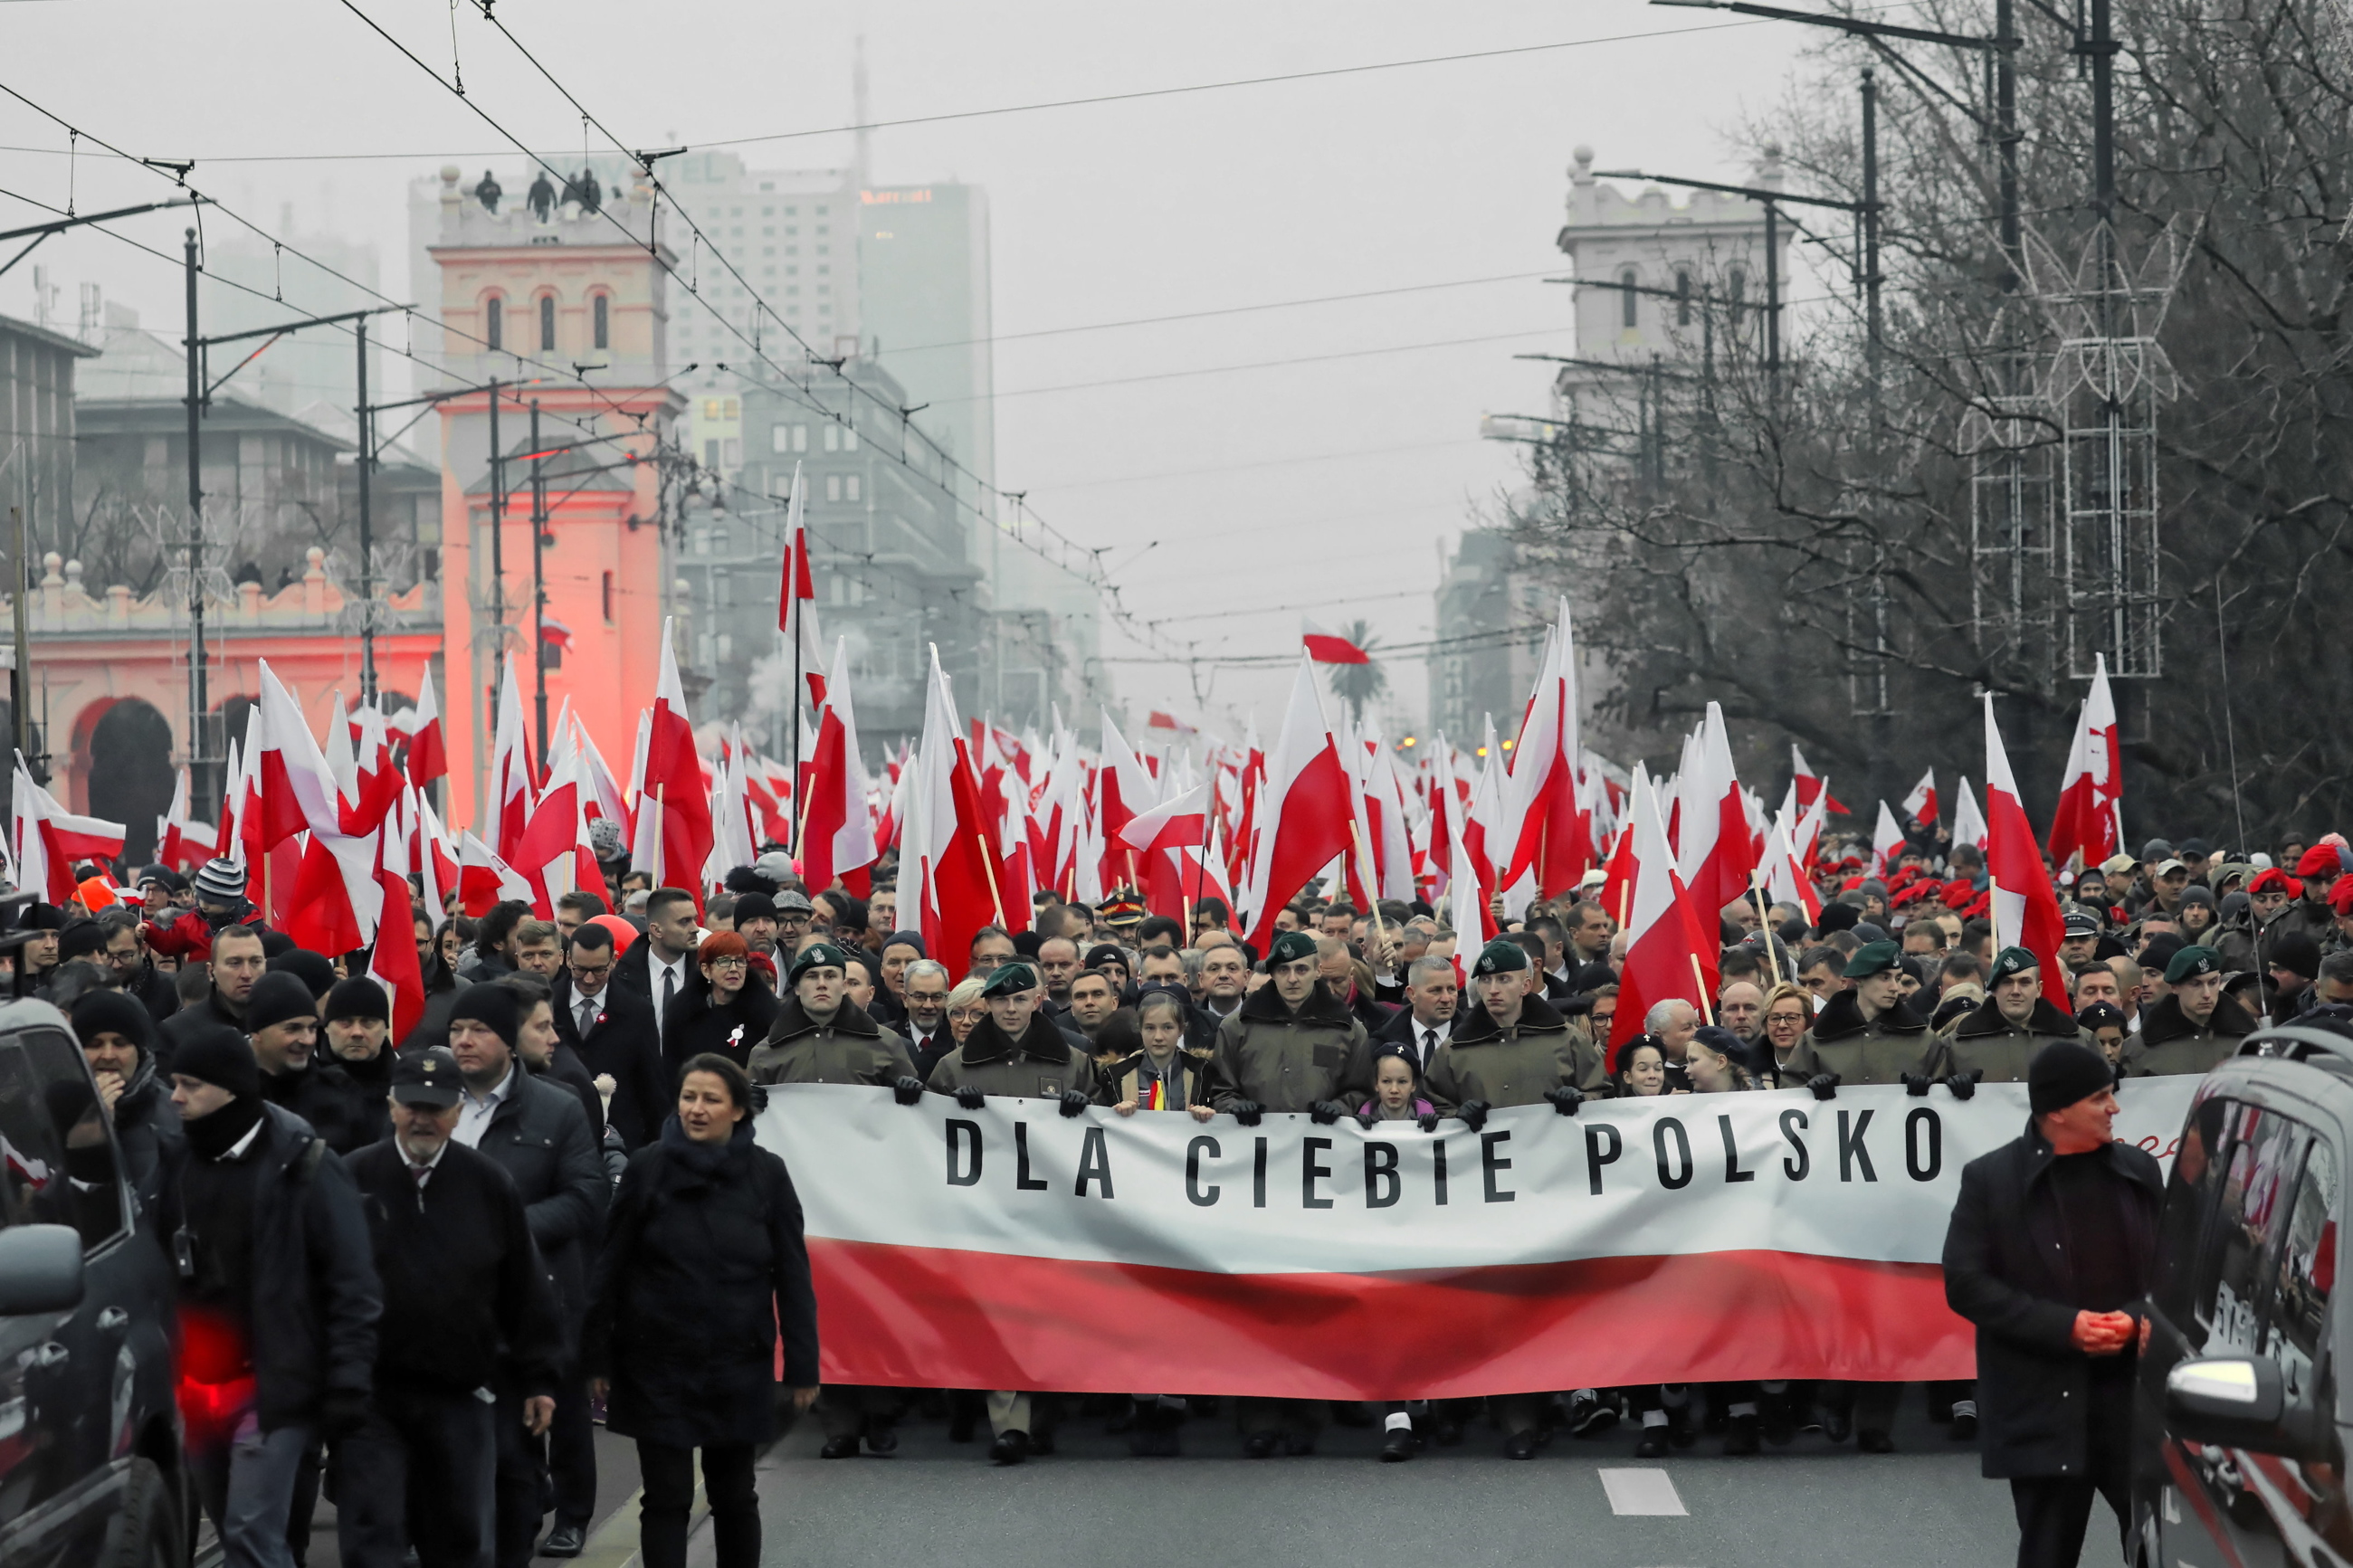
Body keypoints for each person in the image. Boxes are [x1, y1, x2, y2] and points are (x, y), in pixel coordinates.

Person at [161, 1019, 381, 1568]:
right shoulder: (178, 1165)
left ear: (229, 1089)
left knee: (252, 1533)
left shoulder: (302, 1164)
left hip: (272, 1385)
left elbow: (353, 1280)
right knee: (235, 1529)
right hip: (198, 1387)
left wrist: (348, 1379)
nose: (176, 1097)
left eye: (190, 1085)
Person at [586, 1055, 819, 1568]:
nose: (696, 1109)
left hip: (736, 1362)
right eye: (689, 1097)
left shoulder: (768, 1175)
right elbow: (611, 1266)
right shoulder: (647, 1167)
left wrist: (803, 1365)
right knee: (665, 1497)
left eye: (711, 1099)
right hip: (655, 1362)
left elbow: (793, 1275)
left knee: (734, 1495)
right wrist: (596, 1356)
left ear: (738, 1111)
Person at [340, 1048, 562, 1568]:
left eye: (436, 1107)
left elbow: (524, 1288)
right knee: (373, 1538)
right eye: (413, 1105)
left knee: (461, 1539)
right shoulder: (350, 1179)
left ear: (457, 1111)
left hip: (461, 1394)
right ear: (392, 1106)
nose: (423, 1118)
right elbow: (319, 1283)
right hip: (373, 1397)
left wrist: (539, 1377)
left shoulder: (488, 1184)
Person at [1943, 1041, 2159, 1568]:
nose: (2115, 1108)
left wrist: (2136, 1318)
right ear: (2058, 1109)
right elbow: (1966, 1282)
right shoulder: (1992, 1181)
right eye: (2100, 1098)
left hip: (2131, 1402)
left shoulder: (2139, 1171)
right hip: (2042, 1402)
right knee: (2047, 1552)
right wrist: (2068, 1328)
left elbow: (2171, 1268)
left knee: (2161, 1548)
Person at [443, 983, 607, 1566]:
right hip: (452, 1309)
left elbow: (588, 1197)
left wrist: (504, 1227)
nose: (463, 1041)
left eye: (478, 1030)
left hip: (540, 1299)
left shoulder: (557, 1106)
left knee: (550, 1418)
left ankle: (569, 1514)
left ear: (509, 1043)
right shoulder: (432, 1102)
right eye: (456, 1030)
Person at [923, 963, 1107, 1462]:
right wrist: (942, 1107)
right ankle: (1010, 1426)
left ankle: (1044, 1415)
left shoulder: (1074, 1060)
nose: (1009, 1009)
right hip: (987, 1216)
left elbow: (1110, 1125)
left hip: (1056, 1215)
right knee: (1000, 1316)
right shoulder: (955, 1067)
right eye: (1000, 1000)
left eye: (1019, 999)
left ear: (1039, 999)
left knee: (1051, 1318)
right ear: (986, 1003)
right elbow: (920, 1134)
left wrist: (1085, 1105)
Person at [1205, 929, 1373, 1459]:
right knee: (1256, 1301)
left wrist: (1342, 1107)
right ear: (1270, 975)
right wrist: (1234, 1106)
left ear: (1316, 969)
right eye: (1283, 971)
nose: (1293, 979)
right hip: (1253, 1184)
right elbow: (1217, 1086)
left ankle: (1307, 1414)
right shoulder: (1239, 1025)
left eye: (1301, 969)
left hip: (1321, 1184)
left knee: (1313, 1298)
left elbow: (1364, 1090)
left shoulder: (1348, 1026)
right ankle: (1257, 1412)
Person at [553, 920, 668, 1150]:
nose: (588, 979)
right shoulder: (547, 1005)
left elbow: (653, 1088)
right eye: (580, 969)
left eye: (599, 970)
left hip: (620, 1144)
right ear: (567, 960)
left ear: (614, 961)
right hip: (556, 1136)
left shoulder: (637, 1012)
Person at [747, 940, 919, 1091]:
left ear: (844, 986)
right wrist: (750, 1104)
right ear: (797, 988)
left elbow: (916, 1117)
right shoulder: (767, 1052)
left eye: (830, 976)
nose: (822, 984)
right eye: (812, 976)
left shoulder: (885, 1044)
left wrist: (911, 1091)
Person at [246, 970, 385, 1155]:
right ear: (257, 1032)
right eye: (293, 1029)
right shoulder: (229, 1093)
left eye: (311, 1028)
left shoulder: (340, 1094)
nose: (307, 1039)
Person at [71, 987, 183, 1211]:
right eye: (95, 1044)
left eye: (120, 1043)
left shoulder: (176, 1112)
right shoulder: (55, 1112)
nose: (108, 1055)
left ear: (139, 1051)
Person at [1928, 947, 2089, 1086]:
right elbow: (1933, 1101)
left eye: (2025, 982)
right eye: (2007, 982)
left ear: (2039, 989)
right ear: (1994, 989)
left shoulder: (2078, 1040)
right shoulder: (1954, 1046)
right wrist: (1949, 1088)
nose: (2016, 991)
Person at [2122, 945, 2256, 1076]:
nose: (2207, 994)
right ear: (2175, 987)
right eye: (2196, 984)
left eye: (2213, 982)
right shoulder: (2139, 1047)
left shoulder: (2248, 1039)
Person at [157, 920, 270, 1075]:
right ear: (211, 971)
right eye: (235, 963)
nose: (247, 974)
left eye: (255, 962)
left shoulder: (280, 1024)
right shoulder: (177, 1032)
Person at [662, 930, 779, 1075]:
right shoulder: (683, 1014)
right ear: (706, 970)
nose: (734, 969)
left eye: (740, 961)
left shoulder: (765, 1012)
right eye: (724, 962)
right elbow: (671, 1068)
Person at [1108, 989, 1217, 1119]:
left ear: (1181, 1029)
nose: (1158, 1037)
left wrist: (1207, 1114)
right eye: (1150, 1028)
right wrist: (1116, 1113)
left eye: (1167, 1027)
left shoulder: (1202, 1072)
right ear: (1140, 1029)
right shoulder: (1116, 1075)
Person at [898, 959, 956, 1078]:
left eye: (936, 997)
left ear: (947, 999)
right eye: (920, 997)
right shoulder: (888, 1040)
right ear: (905, 999)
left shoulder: (957, 1042)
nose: (928, 1005)